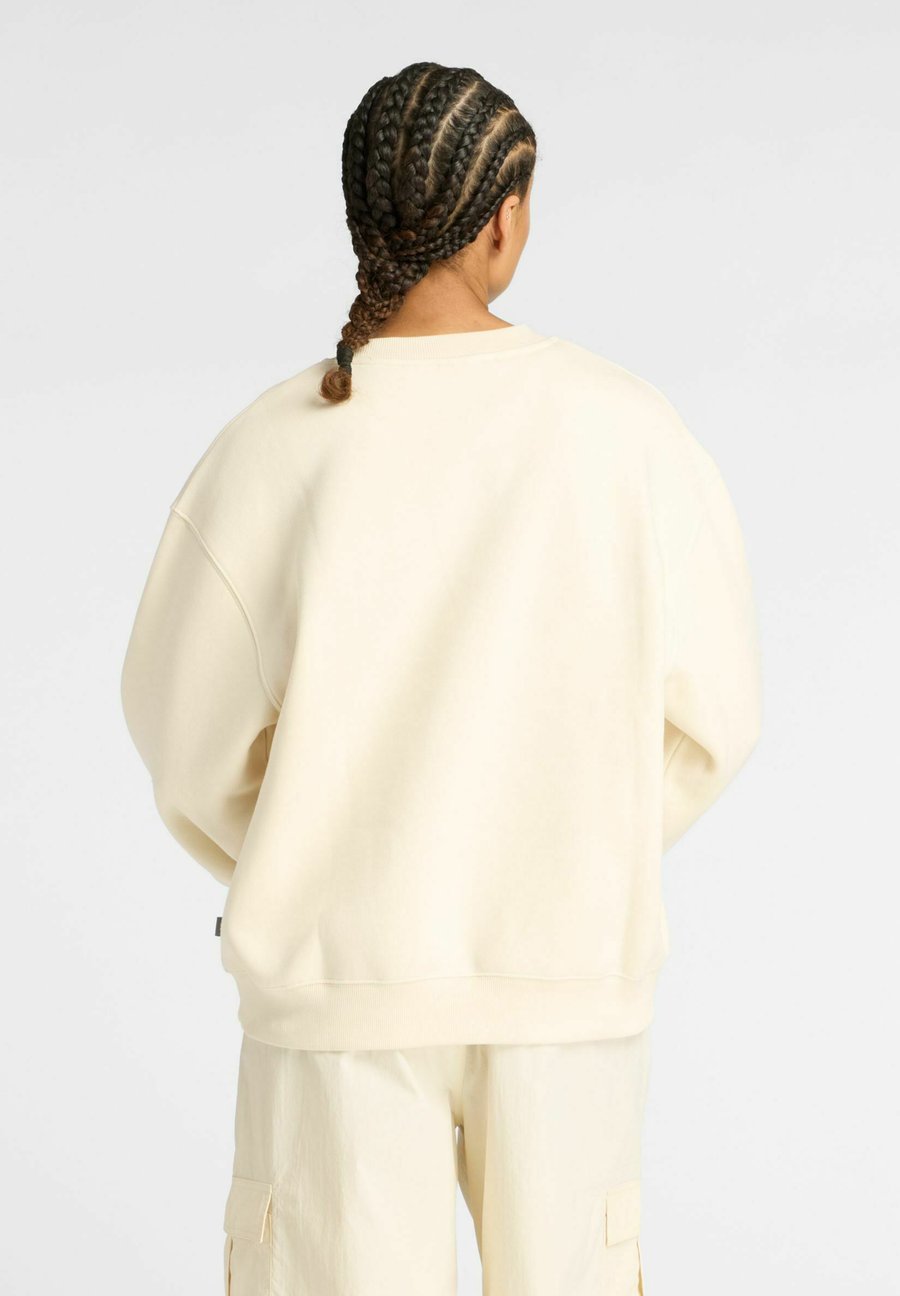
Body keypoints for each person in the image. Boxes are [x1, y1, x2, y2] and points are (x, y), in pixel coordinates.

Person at [120, 60, 762, 1296]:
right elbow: (714, 717)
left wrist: (321, 848)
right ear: (503, 221)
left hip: (339, 995)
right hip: (566, 986)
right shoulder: (626, 433)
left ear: (363, 214)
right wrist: (575, 841)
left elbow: (182, 737)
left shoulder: (272, 448)